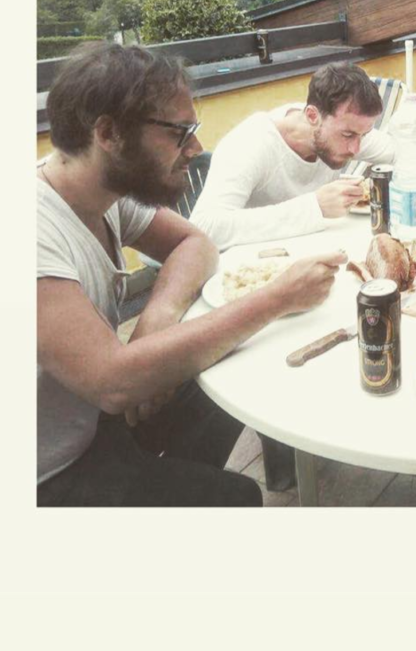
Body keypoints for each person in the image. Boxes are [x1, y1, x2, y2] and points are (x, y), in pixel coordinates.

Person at [37, 43, 346, 506]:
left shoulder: (104, 194)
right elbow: (113, 381)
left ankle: (163, 481)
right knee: (236, 498)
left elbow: (195, 243)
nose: (196, 148)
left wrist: (155, 322)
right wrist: (277, 298)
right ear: (108, 133)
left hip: (98, 419)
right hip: (50, 471)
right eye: (180, 132)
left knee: (232, 370)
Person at [190, 62, 394, 250]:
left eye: (363, 135)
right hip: (258, 266)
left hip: (316, 253)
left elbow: (399, 152)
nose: (356, 149)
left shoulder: (345, 125)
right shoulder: (250, 143)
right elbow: (205, 227)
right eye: (348, 135)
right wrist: (314, 207)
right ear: (312, 116)